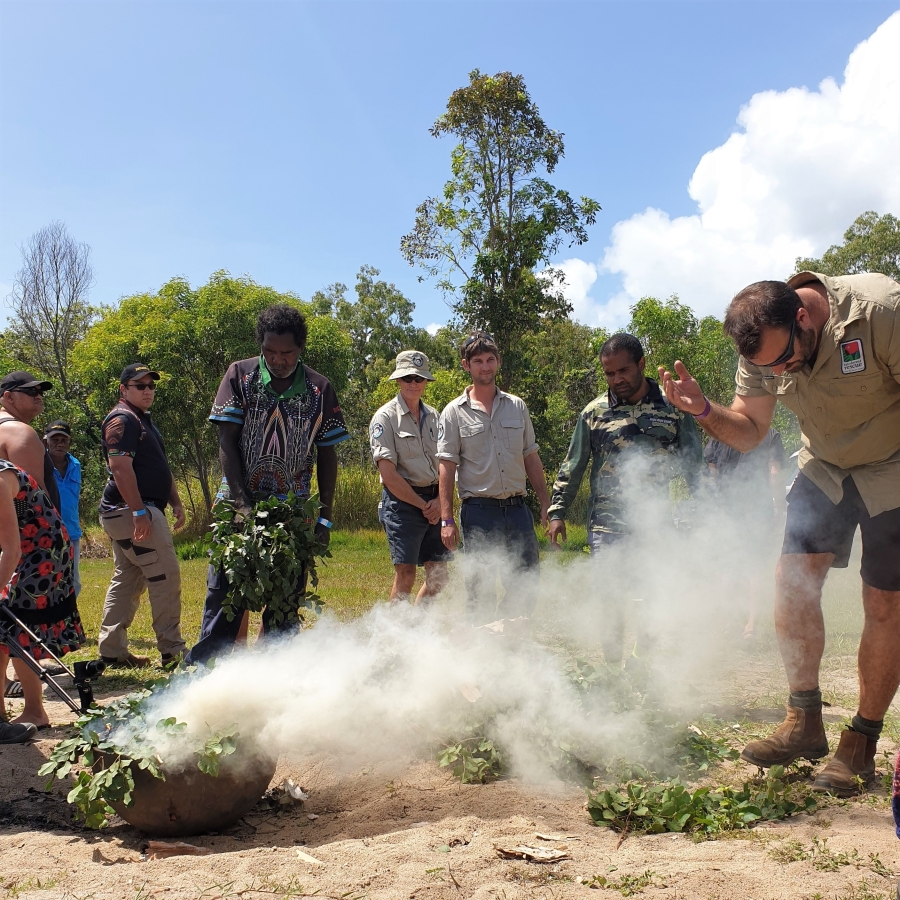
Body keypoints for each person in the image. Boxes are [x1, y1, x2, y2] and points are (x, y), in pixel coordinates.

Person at [659, 271, 900, 796]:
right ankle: (804, 722)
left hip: (894, 467)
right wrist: (702, 410)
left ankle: (859, 743)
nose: (779, 370)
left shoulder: (881, 311)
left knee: (884, 605)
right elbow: (749, 430)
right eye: (767, 366)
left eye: (783, 359)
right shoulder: (761, 350)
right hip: (825, 466)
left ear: (803, 317)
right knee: (790, 582)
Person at [185, 304, 350, 665]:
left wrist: (324, 517)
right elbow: (226, 442)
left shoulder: (320, 389)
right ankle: (202, 680)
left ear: (301, 348)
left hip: (292, 513)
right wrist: (242, 503)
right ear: (260, 345)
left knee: (285, 604)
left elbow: (327, 454)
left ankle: (273, 684)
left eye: (287, 353)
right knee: (224, 597)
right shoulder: (239, 376)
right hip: (237, 507)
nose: (277, 360)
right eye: (270, 352)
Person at [547, 333, 703, 666]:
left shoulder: (672, 407)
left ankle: (638, 665)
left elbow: (694, 463)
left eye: (623, 370)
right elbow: (573, 464)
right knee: (609, 601)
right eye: (609, 373)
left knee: (653, 600)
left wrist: (706, 508)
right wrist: (558, 510)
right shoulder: (594, 412)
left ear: (641, 365)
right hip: (607, 525)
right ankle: (613, 673)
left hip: (655, 524)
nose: (616, 379)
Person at [437, 331, 550, 625]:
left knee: (526, 581)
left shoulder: (517, 406)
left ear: (498, 362)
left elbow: (530, 456)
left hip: (517, 510)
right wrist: (447, 520)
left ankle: (509, 643)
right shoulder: (453, 413)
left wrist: (545, 501)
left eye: (490, 360)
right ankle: (480, 656)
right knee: (481, 588)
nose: (485, 367)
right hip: (479, 512)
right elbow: (446, 467)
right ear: (466, 365)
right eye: (478, 361)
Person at [97, 364, 187, 669]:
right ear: (124, 389)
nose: (147, 390)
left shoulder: (140, 420)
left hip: (133, 509)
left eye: (151, 386)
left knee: (129, 576)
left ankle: (112, 651)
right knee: (164, 576)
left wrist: (174, 501)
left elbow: (158, 465)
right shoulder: (123, 419)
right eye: (140, 385)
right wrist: (139, 511)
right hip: (132, 510)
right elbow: (120, 468)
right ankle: (173, 652)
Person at [0, 458, 85, 734]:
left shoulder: (0, 480)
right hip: (28, 547)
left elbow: (10, 551)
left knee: (13, 622)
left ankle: (35, 711)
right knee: (5, 624)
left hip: (42, 551)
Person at [370, 351, 449, 605]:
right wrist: (423, 505)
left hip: (435, 501)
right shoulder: (384, 418)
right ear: (398, 380)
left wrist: (439, 501)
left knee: (439, 576)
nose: (413, 383)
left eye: (419, 378)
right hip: (402, 504)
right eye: (407, 378)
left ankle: (417, 631)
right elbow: (388, 475)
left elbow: (447, 463)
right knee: (406, 575)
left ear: (426, 382)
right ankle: (394, 638)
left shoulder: (436, 417)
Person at [705, 427, 786, 642]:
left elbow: (710, 475)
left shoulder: (719, 431)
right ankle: (750, 626)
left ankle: (726, 625)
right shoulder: (770, 434)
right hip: (757, 508)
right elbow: (775, 474)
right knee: (755, 567)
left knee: (727, 565)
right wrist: (780, 507)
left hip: (725, 506)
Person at [0, 371, 60, 513]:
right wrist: (58, 532)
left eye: (40, 392)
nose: (38, 396)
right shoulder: (20, 432)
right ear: (9, 397)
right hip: (25, 531)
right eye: (31, 391)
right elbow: (36, 498)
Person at [44, 421, 83, 598]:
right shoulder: (39, 464)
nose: (59, 444)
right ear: (46, 442)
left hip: (72, 532)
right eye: (54, 439)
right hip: (47, 532)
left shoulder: (76, 465)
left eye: (63, 440)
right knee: (47, 580)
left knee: (73, 581)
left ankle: (69, 620)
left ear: (69, 443)